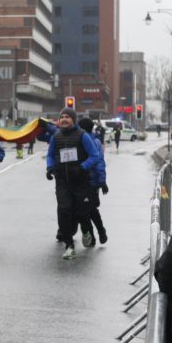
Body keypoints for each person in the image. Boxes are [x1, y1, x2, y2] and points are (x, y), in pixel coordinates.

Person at [45, 108, 101, 259]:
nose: (64, 119)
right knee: (64, 210)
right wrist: (50, 167)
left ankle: (86, 231)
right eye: (62, 117)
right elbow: (50, 155)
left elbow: (94, 156)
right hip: (62, 181)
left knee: (80, 211)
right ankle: (69, 245)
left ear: (73, 120)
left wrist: (82, 167)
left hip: (80, 181)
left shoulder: (82, 136)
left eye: (67, 117)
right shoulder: (55, 137)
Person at [77, 117, 109, 247]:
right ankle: (93, 235)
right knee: (84, 210)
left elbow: (100, 162)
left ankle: (100, 231)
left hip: (91, 182)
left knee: (89, 209)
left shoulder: (94, 142)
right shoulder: (78, 139)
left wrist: (102, 182)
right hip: (79, 182)